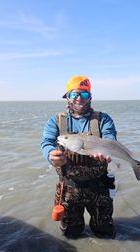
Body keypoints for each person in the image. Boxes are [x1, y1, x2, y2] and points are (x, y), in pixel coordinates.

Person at [41, 76, 117, 239]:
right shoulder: (56, 121)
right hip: (69, 188)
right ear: (67, 96)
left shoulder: (103, 119)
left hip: (99, 186)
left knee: (105, 232)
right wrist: (50, 155)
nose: (79, 98)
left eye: (84, 94)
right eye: (75, 94)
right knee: (71, 234)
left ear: (90, 97)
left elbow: (111, 140)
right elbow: (47, 142)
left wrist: (106, 152)